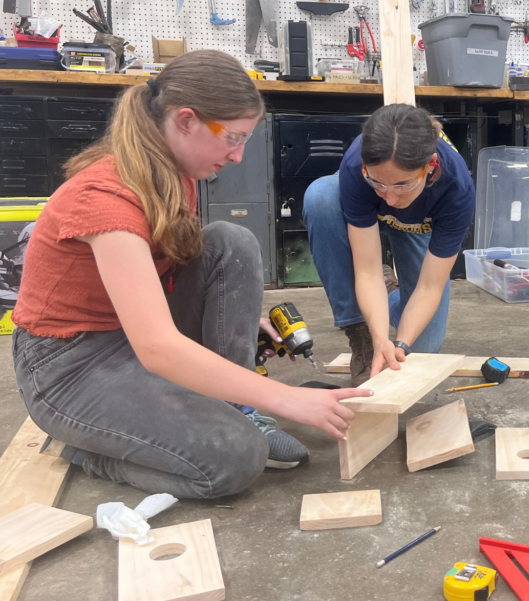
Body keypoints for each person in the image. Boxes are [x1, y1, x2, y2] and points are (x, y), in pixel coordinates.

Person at [11, 51, 373, 500]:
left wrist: (231, 315)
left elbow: (171, 271)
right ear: (186, 120)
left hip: (130, 332)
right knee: (234, 458)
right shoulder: (104, 198)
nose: (239, 157)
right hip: (71, 364)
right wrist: (286, 399)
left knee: (229, 242)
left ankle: (237, 405)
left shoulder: (176, 171)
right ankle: (90, 450)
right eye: (234, 139)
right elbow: (158, 347)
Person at [303, 104, 474, 385]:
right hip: (365, 210)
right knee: (321, 197)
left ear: (430, 165)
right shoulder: (356, 169)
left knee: (423, 348)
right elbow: (367, 270)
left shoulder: (457, 191)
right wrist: (380, 339)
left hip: (420, 221)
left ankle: (390, 294)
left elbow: (430, 286)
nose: (391, 200)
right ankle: (359, 330)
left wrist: (401, 345)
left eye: (402, 185)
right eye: (379, 183)